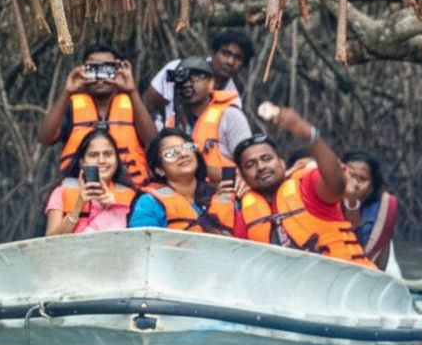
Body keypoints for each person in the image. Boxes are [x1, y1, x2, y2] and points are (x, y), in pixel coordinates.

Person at [231, 106, 375, 267]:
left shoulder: (306, 185)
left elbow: (337, 185)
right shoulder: (243, 212)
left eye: (266, 159)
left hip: (348, 279)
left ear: (281, 163)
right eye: (251, 165)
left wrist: (310, 136)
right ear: (242, 176)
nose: (261, 167)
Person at [39, 45, 157, 185]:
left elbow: (153, 142)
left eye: (107, 69)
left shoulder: (134, 105)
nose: (101, 78)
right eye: (94, 69)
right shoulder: (71, 107)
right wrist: (67, 91)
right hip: (81, 191)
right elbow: (45, 138)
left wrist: (132, 90)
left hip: (130, 191)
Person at [127, 129, 233, 233]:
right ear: (160, 169)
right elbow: (142, 244)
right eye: (171, 153)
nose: (183, 154)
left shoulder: (218, 196)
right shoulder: (149, 202)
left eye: (187, 148)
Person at [164, 56, 250, 183]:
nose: (188, 84)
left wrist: (198, 165)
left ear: (211, 84)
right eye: (183, 79)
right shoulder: (172, 124)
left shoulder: (230, 116)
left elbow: (248, 167)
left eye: (195, 78)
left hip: (225, 194)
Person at [143, 29, 255, 124]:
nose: (230, 61)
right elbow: (149, 103)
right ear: (213, 53)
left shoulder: (232, 100)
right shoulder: (180, 70)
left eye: (238, 58)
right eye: (225, 53)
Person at [45, 130, 139, 235]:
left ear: (117, 159)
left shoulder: (132, 196)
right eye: (93, 155)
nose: (101, 161)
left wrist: (115, 207)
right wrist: (78, 207)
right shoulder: (60, 193)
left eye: (108, 154)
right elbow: (49, 243)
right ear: (82, 162)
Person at [341, 152, 401, 275]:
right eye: (350, 175)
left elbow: (355, 248)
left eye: (362, 179)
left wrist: (351, 202)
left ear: (371, 186)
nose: (355, 184)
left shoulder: (381, 209)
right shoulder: (325, 198)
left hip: (371, 269)